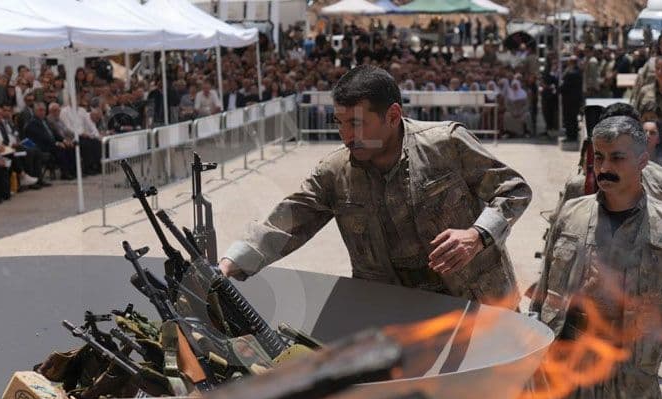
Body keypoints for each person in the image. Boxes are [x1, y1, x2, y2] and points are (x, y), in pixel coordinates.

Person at [219, 66, 532, 306]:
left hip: (476, 303)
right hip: (394, 313)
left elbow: (513, 189)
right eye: (339, 123)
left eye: (355, 123)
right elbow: (286, 221)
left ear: (393, 115)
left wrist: (477, 236)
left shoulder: (445, 144)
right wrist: (229, 264)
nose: (345, 135)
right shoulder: (335, 172)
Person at [527, 115, 662, 399]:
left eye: (618, 158)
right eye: (600, 157)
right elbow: (545, 292)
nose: (605, 168)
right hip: (567, 374)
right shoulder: (571, 215)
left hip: (631, 382)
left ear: (644, 160)